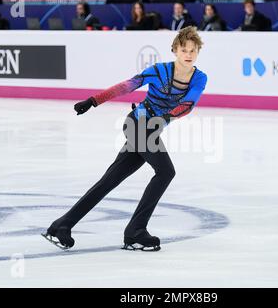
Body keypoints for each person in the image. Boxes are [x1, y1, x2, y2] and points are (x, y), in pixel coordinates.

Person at [43, 26, 208, 252]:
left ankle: (61, 226)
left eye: (193, 50)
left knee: (109, 180)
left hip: (152, 129)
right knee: (166, 171)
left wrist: (166, 117)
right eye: (183, 50)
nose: (188, 54)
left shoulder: (199, 78)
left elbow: (188, 104)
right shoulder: (159, 71)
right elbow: (127, 86)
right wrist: (93, 100)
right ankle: (135, 232)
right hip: (137, 125)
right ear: (175, 51)